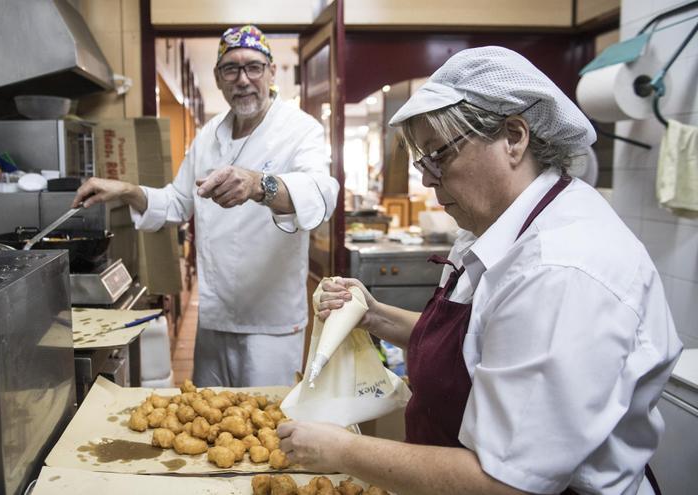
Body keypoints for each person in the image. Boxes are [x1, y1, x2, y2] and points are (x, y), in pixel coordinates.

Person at [278, 46, 682, 495]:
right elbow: (477, 345)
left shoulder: (560, 271)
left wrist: (341, 450)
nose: (428, 179)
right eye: (422, 161)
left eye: (440, 155)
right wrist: (375, 315)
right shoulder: (496, 222)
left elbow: (507, 482)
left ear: (513, 136)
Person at [73, 25, 338, 388]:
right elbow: (178, 202)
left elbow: (322, 192)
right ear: (218, 78)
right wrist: (127, 190)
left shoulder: (300, 129)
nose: (243, 79)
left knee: (267, 428)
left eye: (254, 67)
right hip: (215, 316)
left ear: (272, 71)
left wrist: (260, 185)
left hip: (270, 322)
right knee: (210, 422)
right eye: (231, 69)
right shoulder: (208, 135)